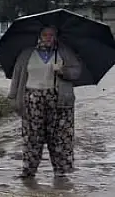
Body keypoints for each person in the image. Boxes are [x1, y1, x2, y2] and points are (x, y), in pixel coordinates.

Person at [8, 25, 82, 179]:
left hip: (58, 99)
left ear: (56, 37)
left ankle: (60, 172)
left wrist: (63, 71)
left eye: (51, 35)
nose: (48, 37)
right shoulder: (27, 53)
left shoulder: (63, 52)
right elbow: (17, 75)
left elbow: (76, 72)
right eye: (45, 34)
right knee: (32, 136)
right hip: (32, 99)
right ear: (39, 36)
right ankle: (28, 171)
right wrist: (13, 97)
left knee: (59, 137)